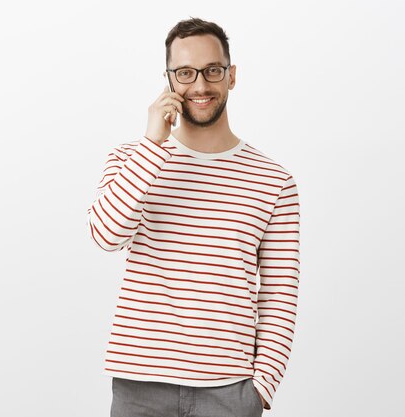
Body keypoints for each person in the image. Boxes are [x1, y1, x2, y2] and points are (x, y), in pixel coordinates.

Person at [86, 17, 300, 416]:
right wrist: (152, 143)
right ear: (168, 80)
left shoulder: (275, 182)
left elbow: (279, 297)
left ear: (231, 76)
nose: (199, 86)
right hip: (139, 387)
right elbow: (105, 235)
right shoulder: (131, 159)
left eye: (212, 71)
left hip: (229, 392)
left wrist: (260, 391)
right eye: (185, 73)